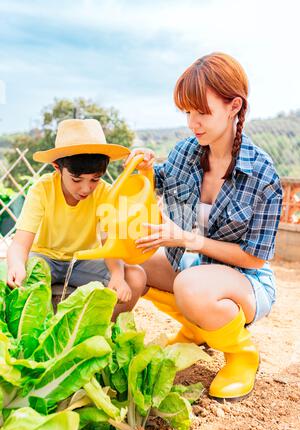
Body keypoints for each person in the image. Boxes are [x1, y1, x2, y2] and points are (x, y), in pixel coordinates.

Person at [124, 52, 283, 400]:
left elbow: (255, 259)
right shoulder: (185, 151)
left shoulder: (262, 175)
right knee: (129, 258)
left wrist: (188, 239)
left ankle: (241, 354)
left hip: (244, 281)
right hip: (189, 268)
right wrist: (145, 167)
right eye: (187, 112)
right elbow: (158, 183)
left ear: (234, 106)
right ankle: (196, 329)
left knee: (192, 285)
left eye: (202, 111)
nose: (193, 122)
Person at [6, 118, 147, 319]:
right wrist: (17, 265)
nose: (86, 188)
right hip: (45, 260)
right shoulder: (43, 189)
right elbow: (20, 244)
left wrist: (117, 275)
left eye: (94, 179)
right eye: (76, 179)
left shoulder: (106, 193)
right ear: (57, 167)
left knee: (135, 276)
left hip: (84, 261)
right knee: (16, 280)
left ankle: (100, 328)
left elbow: (110, 242)